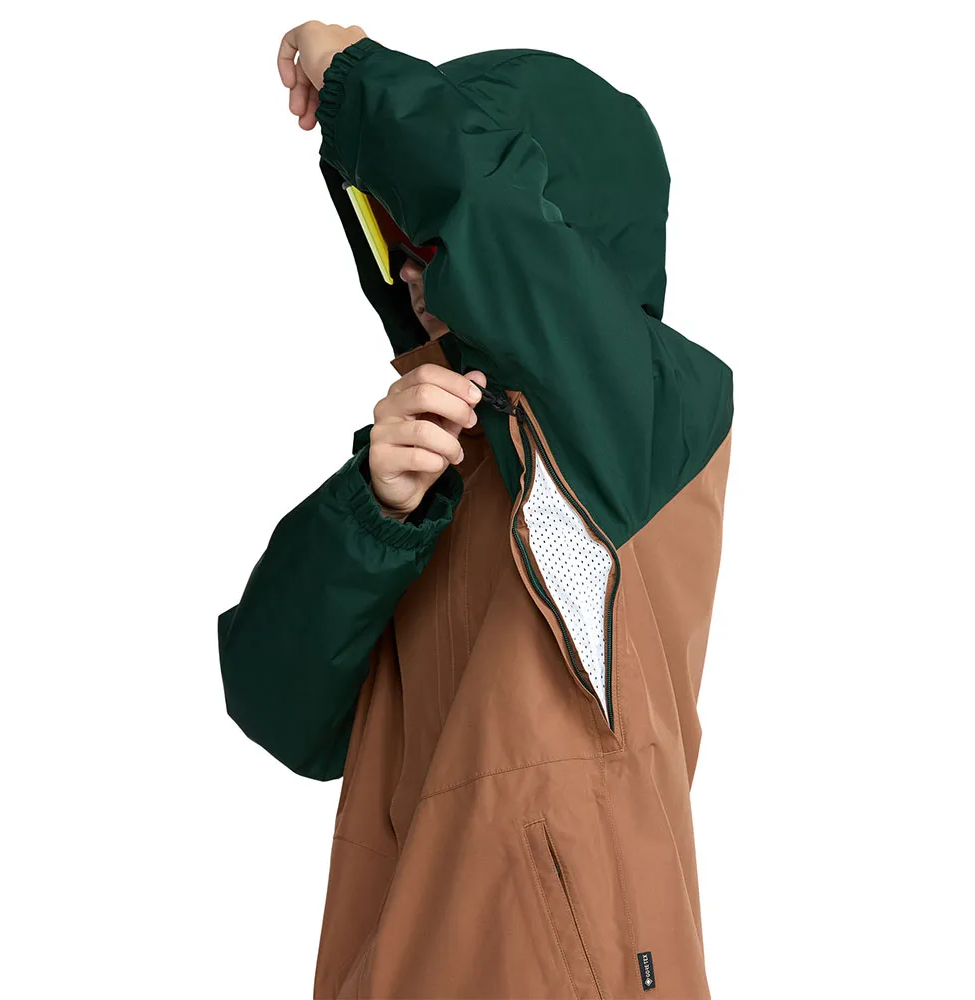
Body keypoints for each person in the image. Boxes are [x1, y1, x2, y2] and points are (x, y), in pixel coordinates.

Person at [218, 20, 734, 999]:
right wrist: (371, 513)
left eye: (428, 235)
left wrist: (353, 75)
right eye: (389, 239)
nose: (410, 268)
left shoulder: (646, 416)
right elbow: (278, 709)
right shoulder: (434, 458)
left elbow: (500, 229)